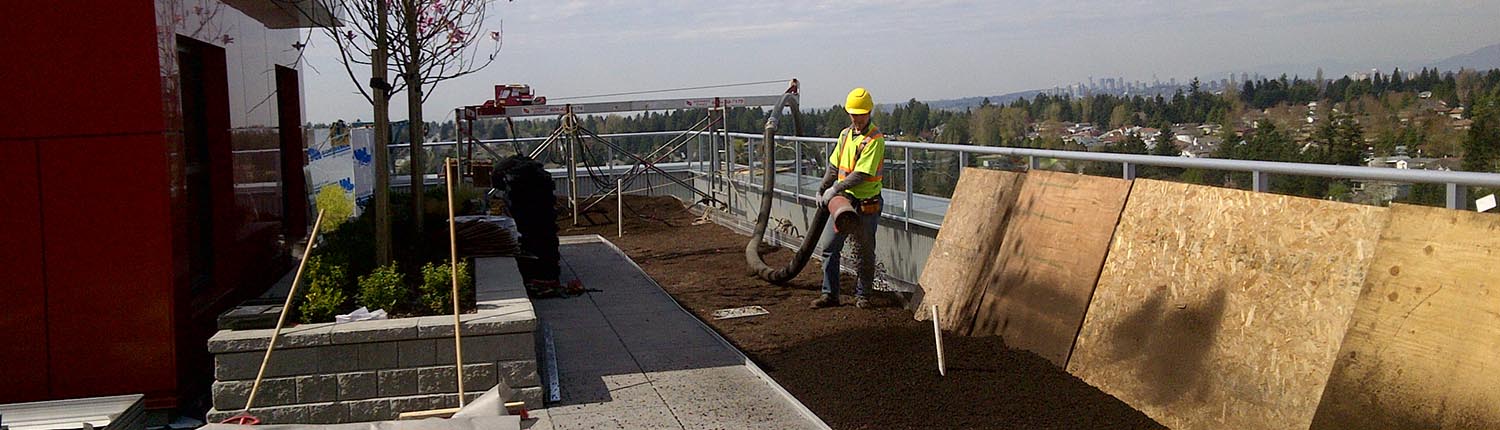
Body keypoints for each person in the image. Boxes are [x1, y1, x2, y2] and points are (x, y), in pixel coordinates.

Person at [812, 87, 885, 309]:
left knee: (864, 251)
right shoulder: (845, 136)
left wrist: (833, 190)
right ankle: (830, 294)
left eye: (861, 113)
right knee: (829, 247)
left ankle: (863, 296)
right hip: (843, 201)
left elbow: (862, 174)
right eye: (854, 113)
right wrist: (822, 187)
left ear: (869, 112)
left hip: (865, 204)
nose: (857, 118)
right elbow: (834, 166)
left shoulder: (874, 140)